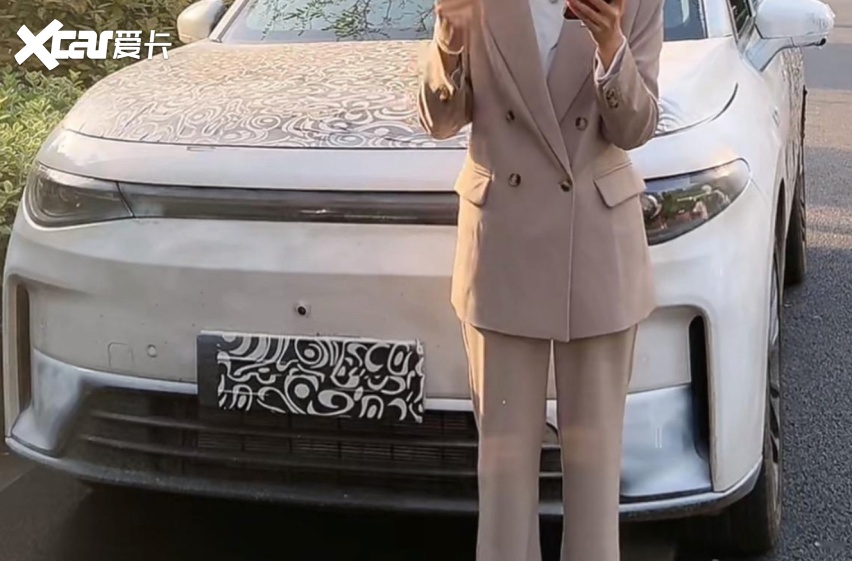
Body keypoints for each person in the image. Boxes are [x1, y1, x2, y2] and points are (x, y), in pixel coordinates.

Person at [416, 0, 664, 558]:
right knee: (503, 478)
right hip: (502, 245)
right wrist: (449, 38)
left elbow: (637, 127)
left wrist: (610, 45)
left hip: (596, 246)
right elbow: (440, 121)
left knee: (595, 476)